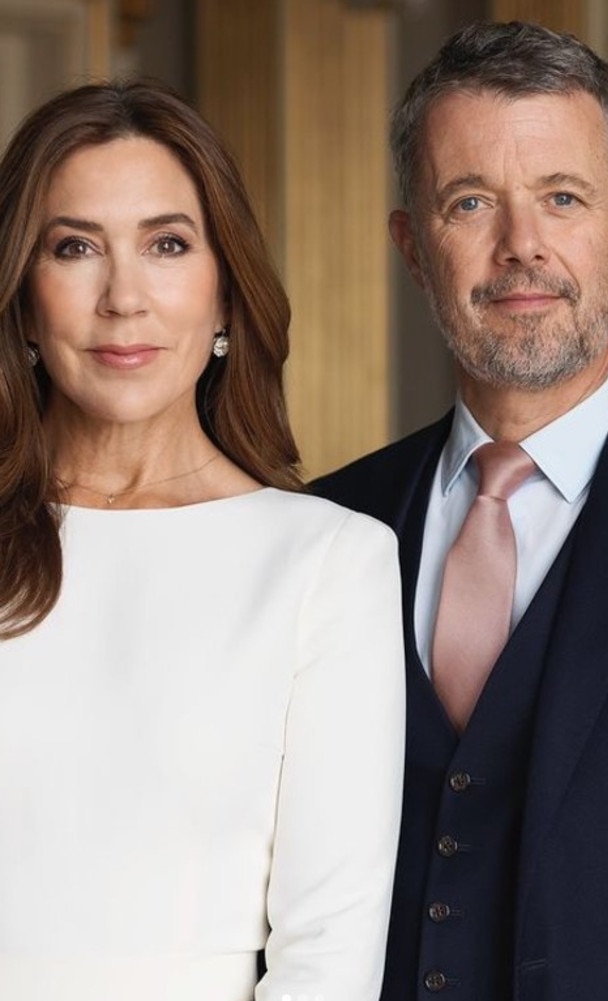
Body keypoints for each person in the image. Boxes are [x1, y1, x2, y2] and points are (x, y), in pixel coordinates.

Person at [0, 79, 405, 1001]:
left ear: (225, 293)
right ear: (24, 299)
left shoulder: (328, 562)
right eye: (74, 248)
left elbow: (329, 959)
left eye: (167, 244)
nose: (124, 299)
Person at [312, 19, 608, 1001]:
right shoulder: (330, 524)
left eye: (560, 197)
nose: (520, 247)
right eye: (470, 202)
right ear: (412, 246)